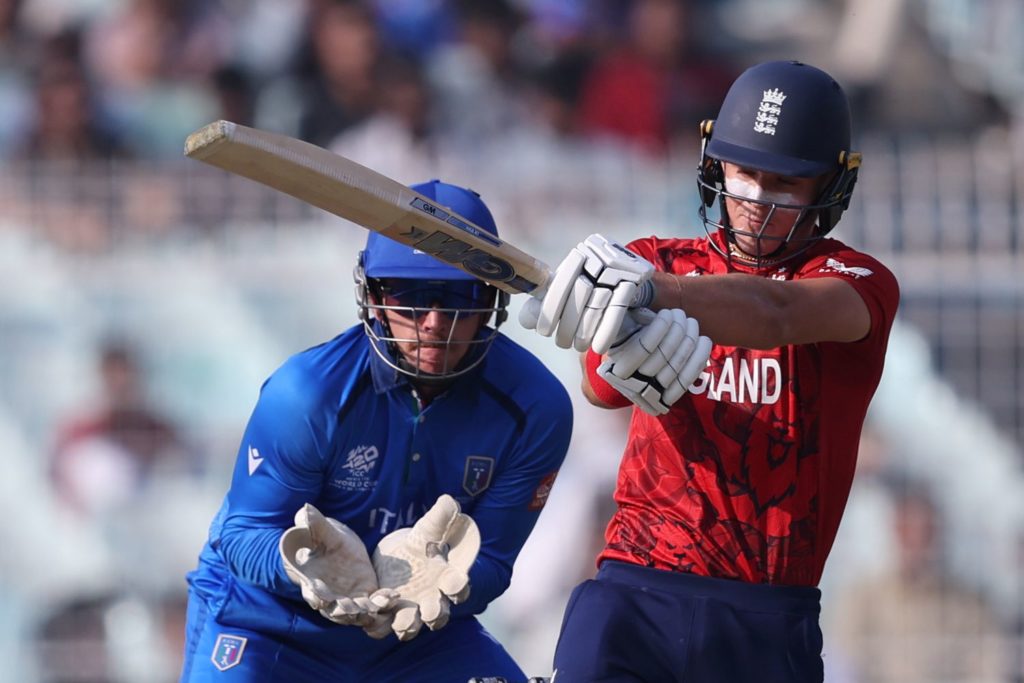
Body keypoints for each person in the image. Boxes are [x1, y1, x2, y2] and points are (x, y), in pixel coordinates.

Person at [521, 60, 900, 681]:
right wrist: (614, 342)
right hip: (633, 588)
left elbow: (777, 312)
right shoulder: (652, 260)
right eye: (744, 171)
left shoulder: (857, 282)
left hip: (765, 612)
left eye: (785, 182)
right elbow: (596, 390)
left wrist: (653, 296)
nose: (755, 200)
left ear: (830, 186)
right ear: (712, 161)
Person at [180, 180, 573, 682]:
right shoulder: (308, 394)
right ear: (373, 294)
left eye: (461, 296)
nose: (434, 322)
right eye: (412, 295)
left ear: (491, 300)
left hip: (414, 637)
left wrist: (443, 583)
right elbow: (242, 535)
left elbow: (494, 560)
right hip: (271, 622)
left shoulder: (535, 408)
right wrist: (303, 568)